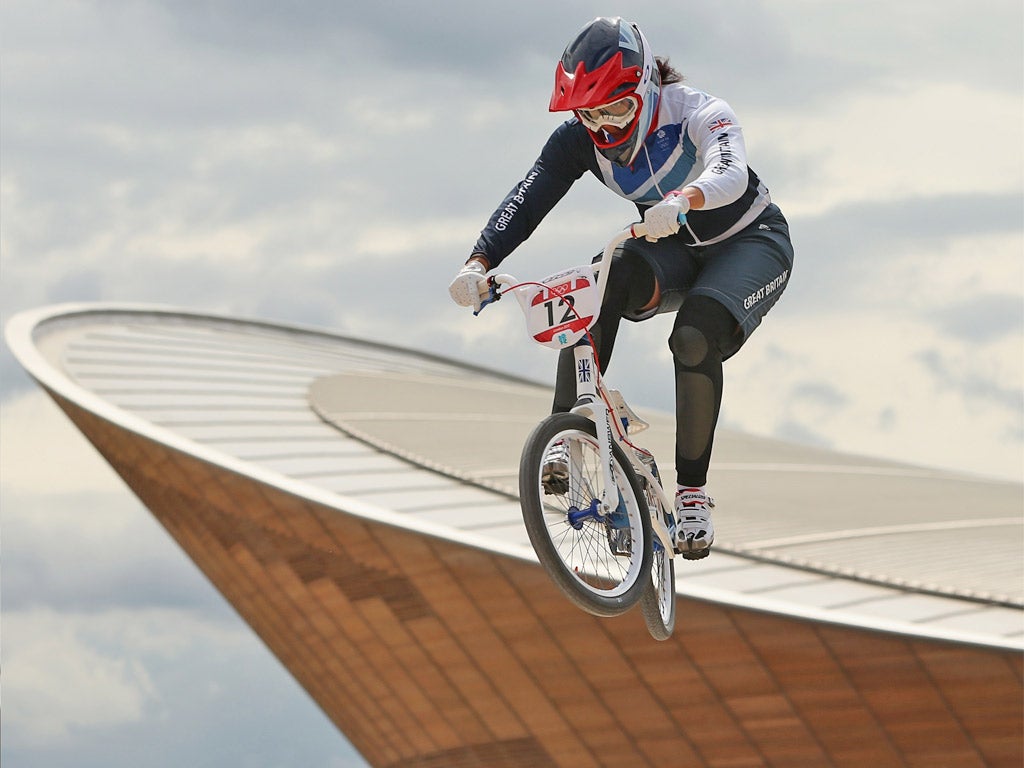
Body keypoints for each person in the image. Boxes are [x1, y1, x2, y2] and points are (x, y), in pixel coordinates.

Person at [448, 17, 794, 560]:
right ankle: (567, 433)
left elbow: (729, 169)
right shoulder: (579, 140)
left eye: (616, 110)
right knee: (598, 284)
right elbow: (530, 195)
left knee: (694, 338)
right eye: (589, 115)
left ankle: (694, 493)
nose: (605, 129)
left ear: (647, 90)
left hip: (748, 241)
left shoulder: (699, 111)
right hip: (674, 246)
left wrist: (687, 200)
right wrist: (479, 260)